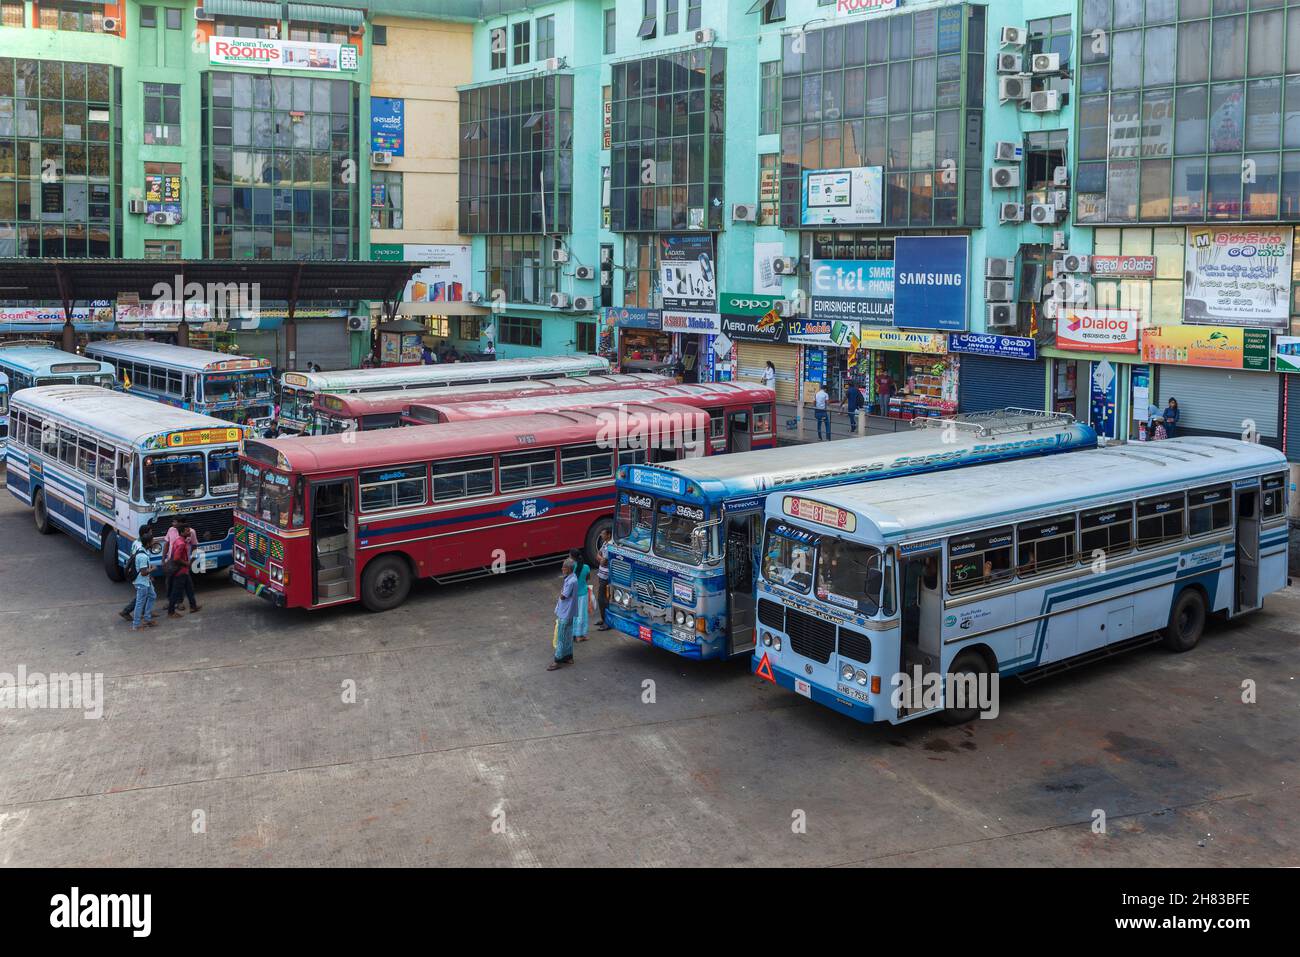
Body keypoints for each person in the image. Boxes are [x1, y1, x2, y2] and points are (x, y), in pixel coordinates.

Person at [548, 558, 578, 671]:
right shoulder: (573, 578)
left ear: (569, 569)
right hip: (569, 612)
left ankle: (558, 659)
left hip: (565, 612)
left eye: (564, 567)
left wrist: (561, 593)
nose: (562, 569)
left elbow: (563, 596)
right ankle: (569, 657)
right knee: (568, 635)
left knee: (561, 636)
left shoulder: (570, 581)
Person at [166, 523, 201, 617]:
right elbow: (176, 558)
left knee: (190, 588)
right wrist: (187, 564)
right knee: (176, 592)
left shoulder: (178, 540)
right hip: (180, 571)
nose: (189, 532)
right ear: (182, 532)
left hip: (183, 571)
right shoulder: (181, 544)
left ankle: (193, 606)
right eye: (187, 531)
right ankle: (171, 612)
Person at [125, 530, 158, 631]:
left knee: (152, 596)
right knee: (140, 603)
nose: (153, 543)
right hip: (141, 582)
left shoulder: (142, 551)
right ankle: (136, 625)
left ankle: (147, 618)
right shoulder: (143, 556)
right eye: (152, 541)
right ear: (148, 543)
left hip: (145, 581)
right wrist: (152, 568)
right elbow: (143, 572)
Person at [569, 547, 591, 642]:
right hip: (583, 594)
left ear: (572, 557)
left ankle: (575, 634)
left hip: (573, 595)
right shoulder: (586, 567)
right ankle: (581, 635)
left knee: (574, 615)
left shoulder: (571, 567)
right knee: (582, 615)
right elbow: (587, 579)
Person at [594, 534, 611, 631]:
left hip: (605, 576)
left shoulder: (610, 546)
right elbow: (598, 556)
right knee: (602, 598)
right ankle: (603, 618)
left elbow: (603, 561)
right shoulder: (604, 543)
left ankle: (607, 622)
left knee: (603, 599)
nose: (601, 535)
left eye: (603, 533)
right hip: (601, 575)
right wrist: (601, 559)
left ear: (608, 535)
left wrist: (601, 559)